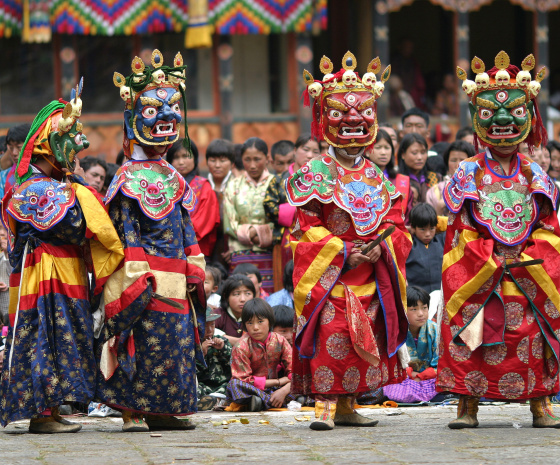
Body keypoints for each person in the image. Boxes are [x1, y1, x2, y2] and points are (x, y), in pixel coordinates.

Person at [289, 52, 412, 430]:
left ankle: (348, 405)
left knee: (364, 342)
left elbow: (396, 223)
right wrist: (343, 252)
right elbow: (306, 225)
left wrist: (380, 247)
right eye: (341, 114)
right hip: (333, 272)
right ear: (324, 118)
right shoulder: (315, 172)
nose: (353, 122)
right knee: (331, 335)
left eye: (362, 114)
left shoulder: (377, 175)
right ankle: (325, 407)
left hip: (371, 270)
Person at [439, 51, 560, 429]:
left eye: (516, 113)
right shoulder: (468, 173)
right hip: (482, 271)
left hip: (528, 271)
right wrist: (489, 259)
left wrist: (529, 257)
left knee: (533, 333)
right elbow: (459, 230)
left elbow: (549, 227)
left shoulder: (535, 172)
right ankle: (467, 405)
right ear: (478, 119)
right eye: (492, 114)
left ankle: (540, 403)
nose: (504, 123)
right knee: (471, 330)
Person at [0, 84, 124, 433]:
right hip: (46, 274)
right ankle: (41, 414)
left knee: (64, 337)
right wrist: (81, 198)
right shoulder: (38, 187)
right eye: (73, 142)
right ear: (52, 147)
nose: (78, 149)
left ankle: (52, 410)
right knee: (46, 336)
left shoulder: (54, 185)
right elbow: (70, 227)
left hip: (61, 271)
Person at [97, 50, 206, 432]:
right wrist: (135, 268)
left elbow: (184, 222)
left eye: (173, 108)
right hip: (143, 273)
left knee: (175, 344)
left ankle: (166, 409)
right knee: (142, 341)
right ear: (132, 120)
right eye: (154, 111)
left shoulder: (172, 174)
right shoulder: (127, 176)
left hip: (176, 271)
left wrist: (195, 259)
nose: (168, 118)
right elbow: (126, 226)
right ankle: (131, 410)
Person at [263, 134, 320, 289]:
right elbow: (269, 208)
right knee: (283, 282)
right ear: (295, 150)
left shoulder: (323, 181)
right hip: (283, 238)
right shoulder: (279, 180)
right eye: (305, 149)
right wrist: (299, 210)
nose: (309, 155)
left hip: (314, 240)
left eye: (315, 151)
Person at [223, 137, 275, 293]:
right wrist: (253, 233)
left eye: (257, 159)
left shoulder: (276, 183)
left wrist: (257, 233)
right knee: (240, 297)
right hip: (239, 252)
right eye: (247, 160)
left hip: (270, 253)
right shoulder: (233, 184)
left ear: (267, 159)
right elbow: (229, 223)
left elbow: (281, 220)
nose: (252, 165)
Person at [225, 298, 293, 411]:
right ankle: (276, 401)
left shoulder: (280, 340)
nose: (255, 327)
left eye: (260, 322)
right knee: (234, 385)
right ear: (245, 325)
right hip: (253, 389)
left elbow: (294, 371)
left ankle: (264, 402)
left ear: (270, 322)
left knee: (304, 380)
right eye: (250, 323)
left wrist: (283, 390)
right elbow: (243, 379)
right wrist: (278, 381)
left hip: (278, 389)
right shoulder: (241, 346)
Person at [384, 286, 438, 403]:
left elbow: (440, 364)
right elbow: (390, 362)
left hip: (429, 378)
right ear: (403, 310)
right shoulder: (395, 331)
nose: (421, 314)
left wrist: (421, 376)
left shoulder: (434, 330)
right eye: (414, 309)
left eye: (424, 308)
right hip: (403, 377)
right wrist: (409, 373)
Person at [167, 139, 220, 257]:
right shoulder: (164, 187)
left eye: (186, 156)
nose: (181, 162)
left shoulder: (204, 186)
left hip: (196, 252)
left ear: (195, 159)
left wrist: (172, 235)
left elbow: (203, 223)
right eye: (176, 157)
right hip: (167, 251)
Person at [366, 128, 413, 223]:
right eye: (378, 147)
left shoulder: (401, 181)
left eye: (387, 148)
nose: (383, 152)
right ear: (366, 151)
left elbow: (408, 215)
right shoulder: (359, 179)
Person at [426, 140, 476, 216]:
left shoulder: (479, 189)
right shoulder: (434, 191)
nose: (458, 165)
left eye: (463, 160)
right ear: (447, 163)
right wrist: (440, 208)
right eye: (453, 160)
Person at [205, 139, 235, 267]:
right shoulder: (201, 186)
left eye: (223, 161)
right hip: (205, 248)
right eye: (213, 160)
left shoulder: (238, 186)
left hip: (231, 248)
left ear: (232, 163)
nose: (217, 165)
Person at [197, 307, 233, 411]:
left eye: (212, 325)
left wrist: (223, 349)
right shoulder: (192, 344)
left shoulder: (223, 341)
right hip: (203, 385)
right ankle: (214, 401)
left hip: (222, 385)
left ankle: (216, 400)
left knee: (232, 387)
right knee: (193, 388)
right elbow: (191, 373)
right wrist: (201, 354)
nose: (209, 330)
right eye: (205, 326)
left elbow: (234, 365)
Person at [405, 203, 445, 293]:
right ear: (413, 228)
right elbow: (393, 229)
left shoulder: (442, 240)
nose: (427, 234)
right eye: (422, 229)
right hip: (416, 299)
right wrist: (408, 229)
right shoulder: (407, 244)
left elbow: (453, 224)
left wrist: (436, 222)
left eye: (432, 228)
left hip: (440, 296)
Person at [398, 133, 440, 204]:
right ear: (403, 154)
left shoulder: (436, 178)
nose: (420, 157)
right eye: (414, 153)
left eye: (423, 152)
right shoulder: (396, 180)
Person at [215, 274, 256, 346]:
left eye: (248, 293)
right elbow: (207, 332)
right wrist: (239, 342)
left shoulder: (258, 315)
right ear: (226, 296)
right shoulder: (217, 315)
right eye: (236, 294)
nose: (243, 299)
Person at [1, 124, 31, 199]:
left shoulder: (42, 173)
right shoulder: (3, 177)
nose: (14, 153)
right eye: (11, 148)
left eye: (19, 147)